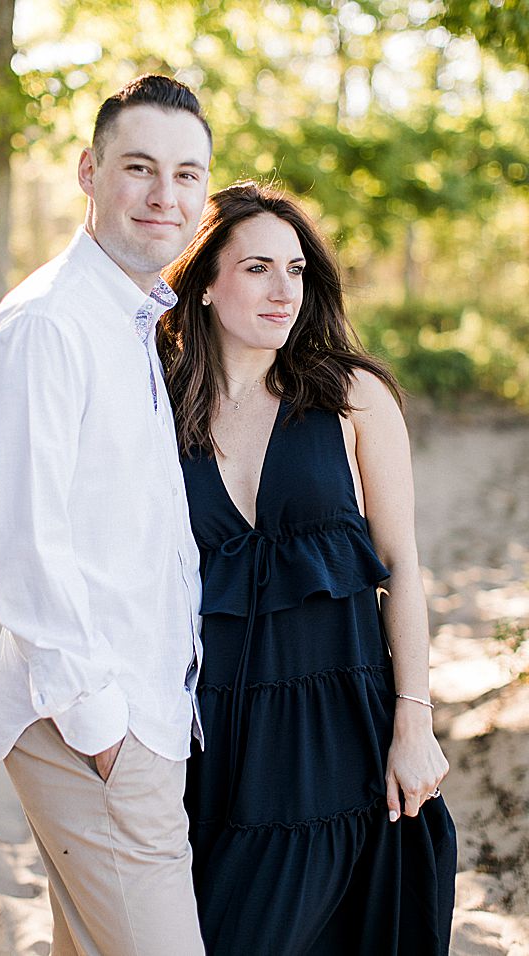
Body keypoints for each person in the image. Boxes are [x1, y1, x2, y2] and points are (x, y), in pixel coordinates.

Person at [157, 181, 457, 953]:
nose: (282, 290)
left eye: (295, 270)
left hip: (347, 738)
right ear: (205, 281)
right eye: (257, 268)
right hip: (216, 743)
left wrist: (414, 721)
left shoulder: (354, 397)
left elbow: (402, 564)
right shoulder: (155, 408)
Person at [0, 74, 211, 955]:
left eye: (186, 175)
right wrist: (103, 730)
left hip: (138, 715)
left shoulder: (130, 319)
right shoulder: (50, 324)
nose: (162, 195)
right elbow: (24, 551)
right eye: (138, 167)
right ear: (88, 172)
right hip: (97, 724)